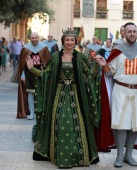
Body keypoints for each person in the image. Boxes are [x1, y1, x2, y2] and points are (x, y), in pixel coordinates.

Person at [26, 28, 100, 168]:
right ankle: (58, 155)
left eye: (72, 40)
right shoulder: (55, 57)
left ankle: (77, 156)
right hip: (59, 94)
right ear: (63, 41)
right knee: (59, 123)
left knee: (75, 123)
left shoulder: (80, 57)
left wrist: (97, 64)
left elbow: (89, 74)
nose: (70, 42)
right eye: (67, 40)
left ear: (75, 41)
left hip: (76, 94)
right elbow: (46, 74)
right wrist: (32, 69)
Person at [95, 22, 137, 167]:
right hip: (120, 91)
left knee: (134, 125)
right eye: (129, 31)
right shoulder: (117, 51)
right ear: (123, 33)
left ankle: (128, 155)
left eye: (134, 31)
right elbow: (109, 73)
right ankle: (119, 156)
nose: (132, 34)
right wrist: (103, 65)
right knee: (121, 125)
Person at [17, 32, 50, 119]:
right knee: (30, 93)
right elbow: (22, 65)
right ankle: (31, 112)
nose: (34, 40)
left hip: (41, 74)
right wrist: (22, 75)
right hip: (29, 75)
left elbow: (48, 62)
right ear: (30, 39)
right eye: (32, 38)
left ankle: (40, 112)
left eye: (36, 38)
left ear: (38, 38)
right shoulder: (25, 48)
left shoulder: (44, 48)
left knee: (41, 93)